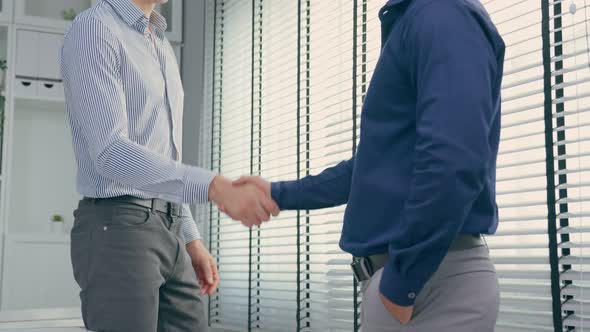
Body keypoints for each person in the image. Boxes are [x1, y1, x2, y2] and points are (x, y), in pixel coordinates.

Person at [233, 0, 505, 330]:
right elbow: (375, 167)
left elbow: (454, 163)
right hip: (411, 283)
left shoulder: (443, 15)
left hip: (431, 286)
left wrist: (402, 282)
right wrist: (279, 193)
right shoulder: (419, 18)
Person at [61, 0, 278, 331]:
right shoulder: (95, 28)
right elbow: (110, 151)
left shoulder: (159, 41)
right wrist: (214, 186)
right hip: (119, 227)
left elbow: (165, 161)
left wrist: (191, 238)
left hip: (171, 226)